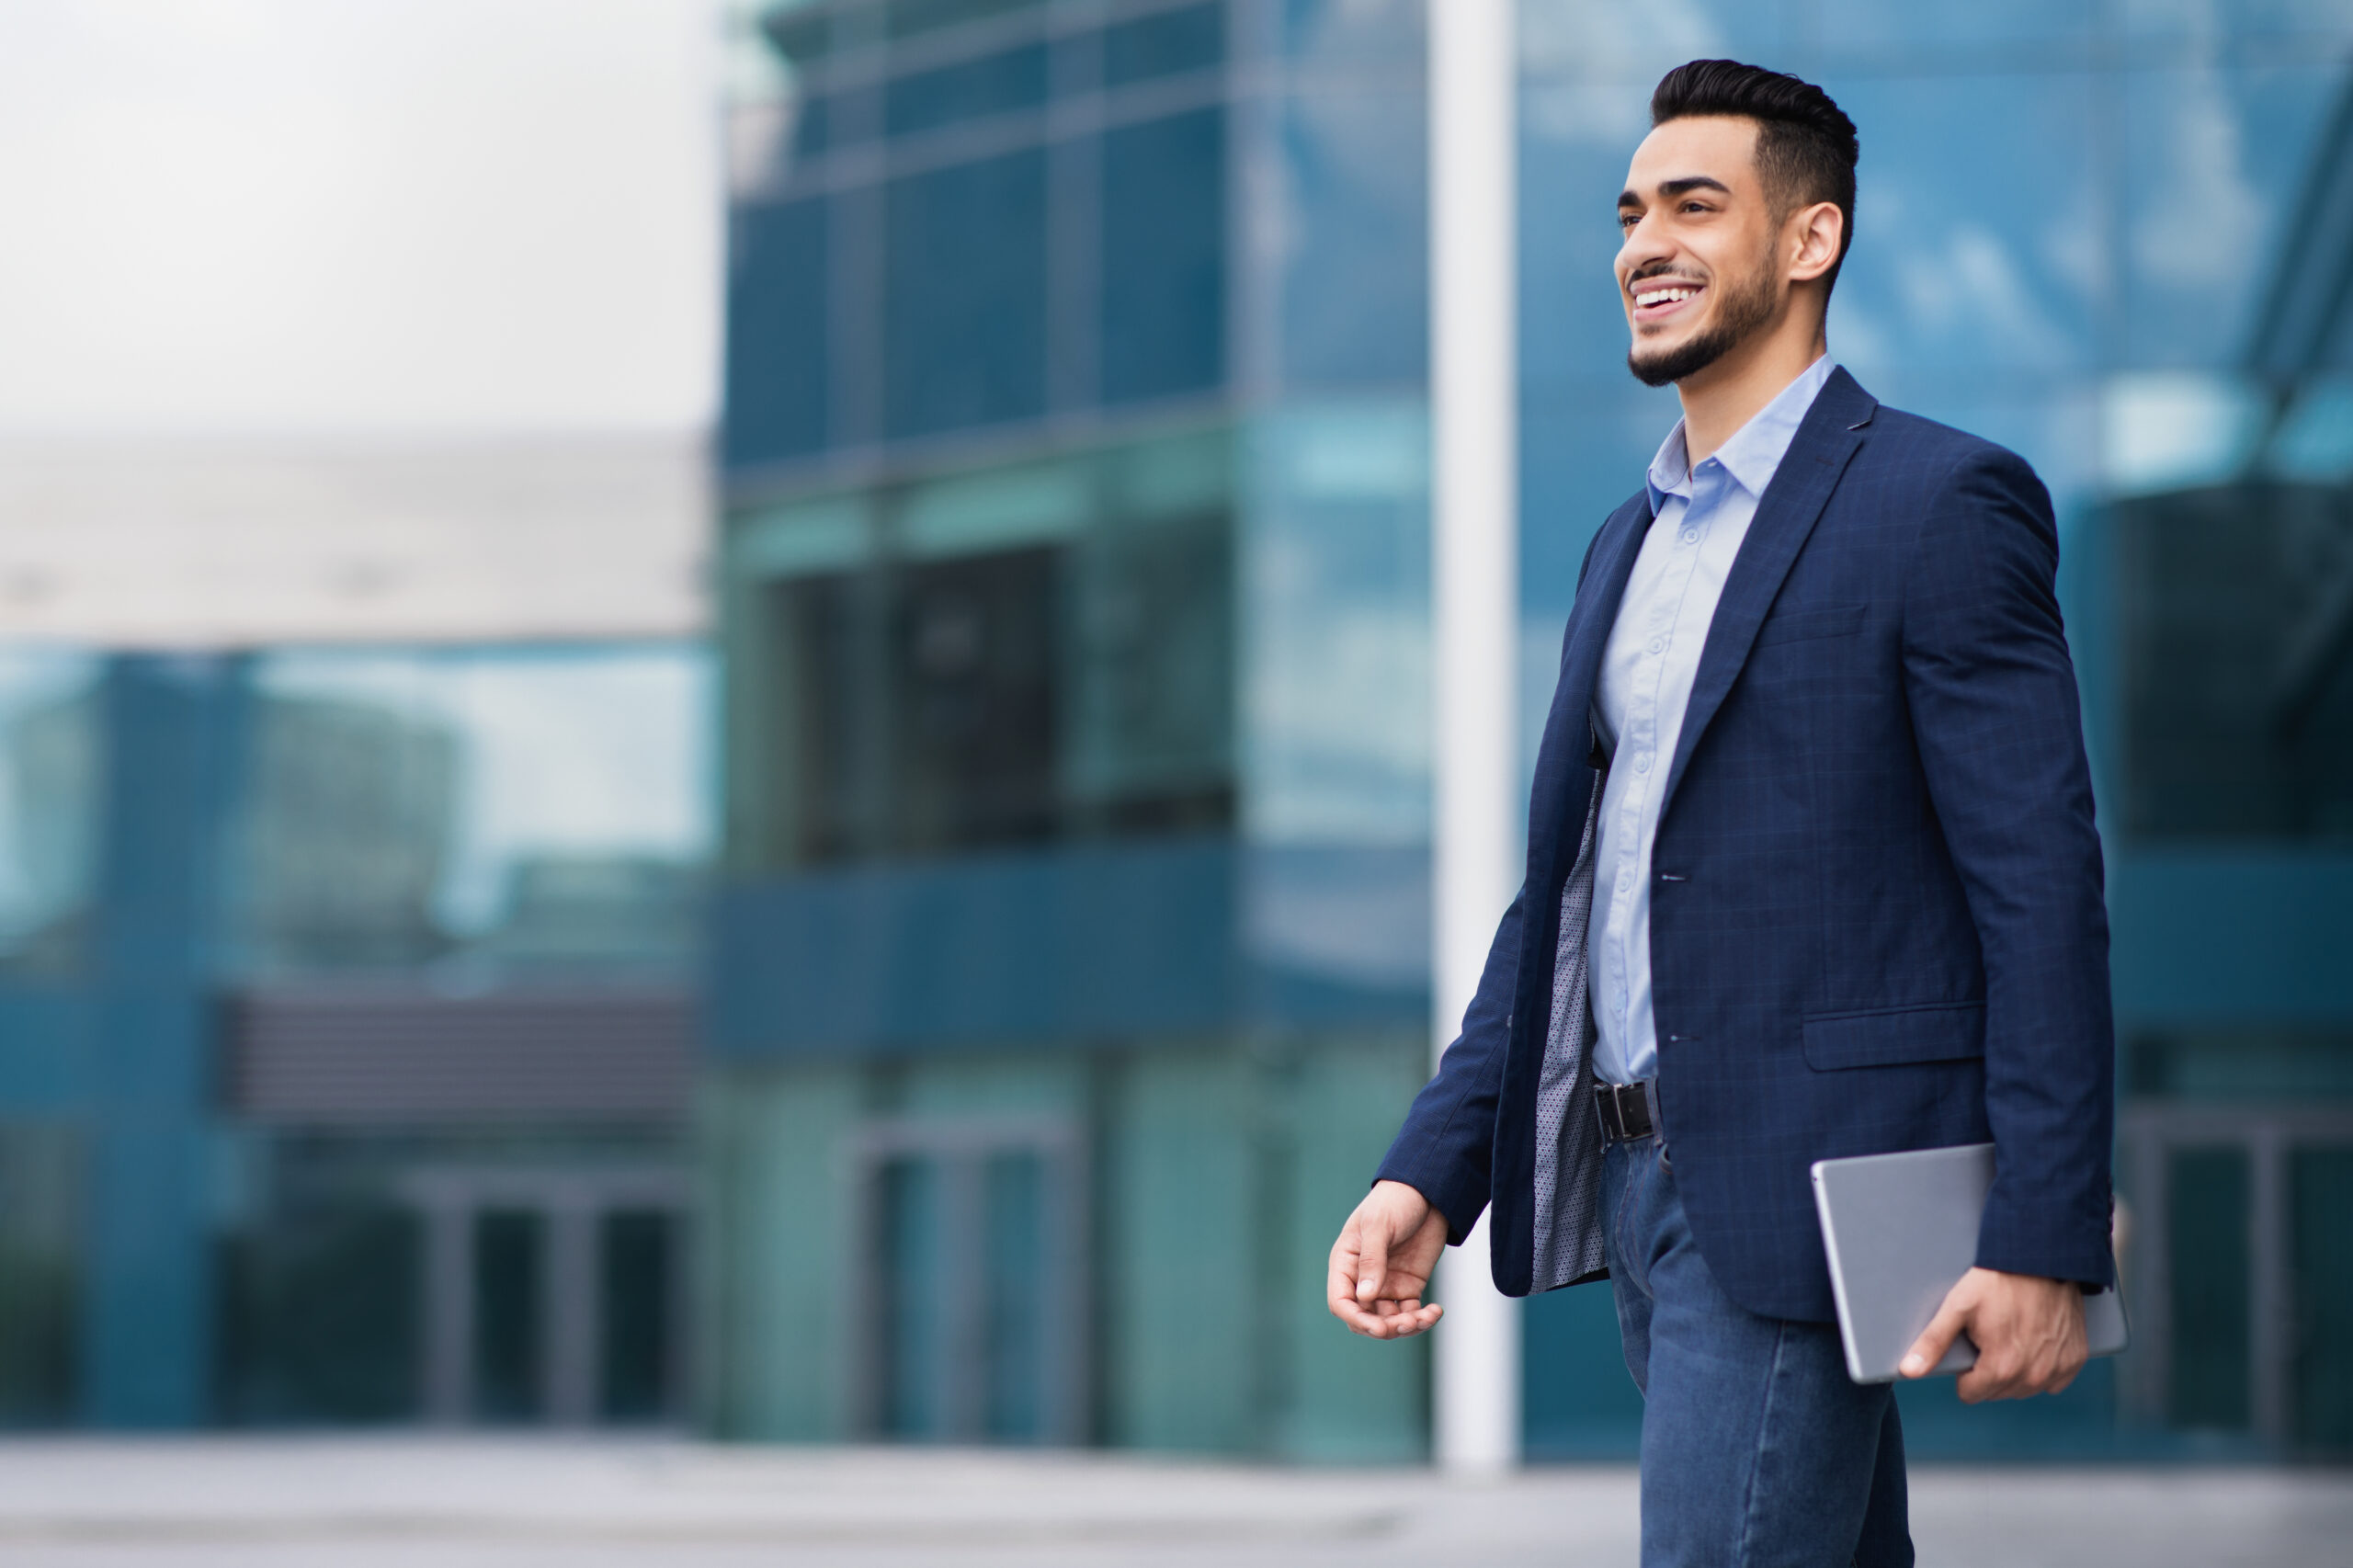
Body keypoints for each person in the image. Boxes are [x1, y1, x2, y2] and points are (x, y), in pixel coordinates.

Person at [1325, 59, 2115, 1567]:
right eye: (1630, 212)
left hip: (1812, 1188)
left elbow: (2040, 884)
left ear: (1810, 241)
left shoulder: (1940, 505)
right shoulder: (1623, 549)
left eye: (1696, 204)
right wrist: (1430, 1165)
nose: (1644, 243)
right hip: (1635, 1186)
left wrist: (2045, 1230)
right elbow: (1568, 900)